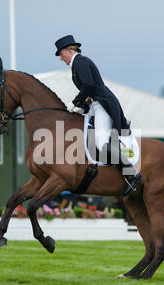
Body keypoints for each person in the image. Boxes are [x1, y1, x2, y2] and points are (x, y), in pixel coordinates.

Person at [55, 35, 142, 196]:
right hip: (94, 106)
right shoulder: (77, 66)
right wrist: (80, 108)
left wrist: (74, 103)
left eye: (61, 54)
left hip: (103, 106)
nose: (61, 58)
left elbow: (88, 86)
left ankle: (131, 173)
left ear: (69, 50)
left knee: (101, 144)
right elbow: (89, 91)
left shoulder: (80, 62)